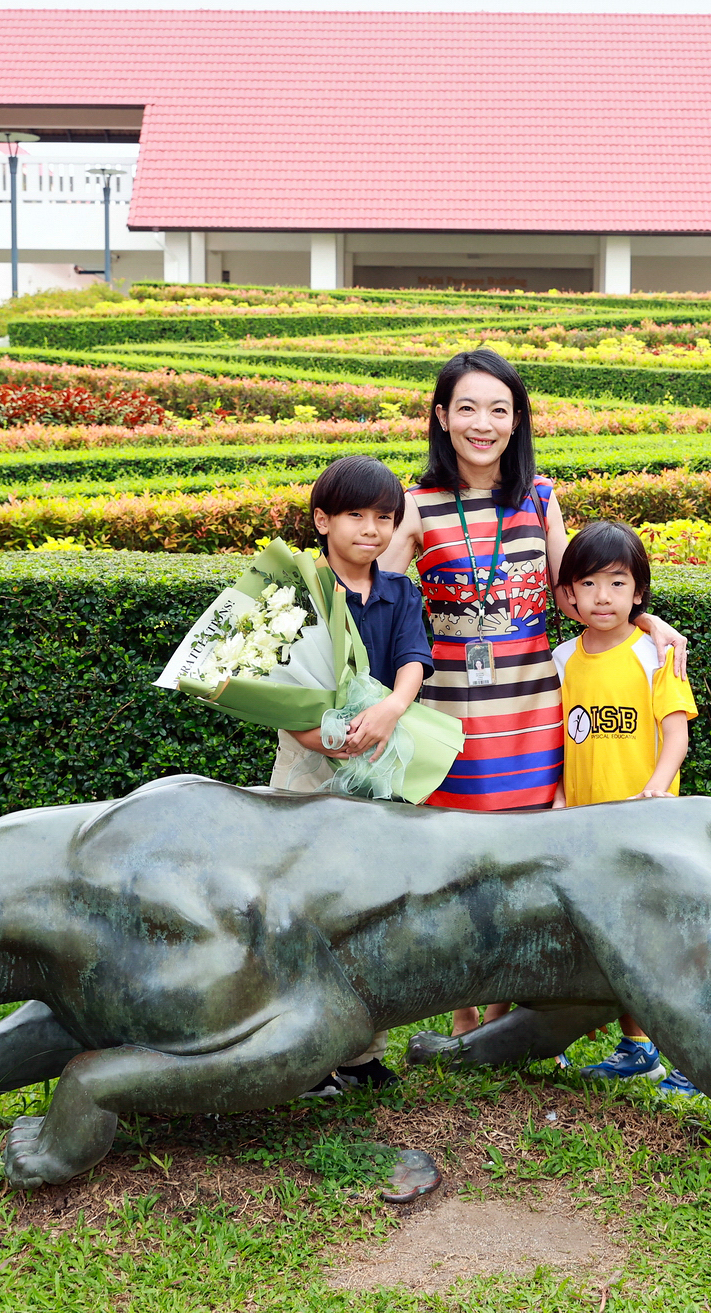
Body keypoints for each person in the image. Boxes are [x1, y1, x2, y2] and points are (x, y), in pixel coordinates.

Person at [378, 349, 688, 1038]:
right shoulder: (415, 505)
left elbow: (575, 592)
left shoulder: (541, 498)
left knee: (524, 866)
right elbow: (379, 597)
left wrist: (647, 617)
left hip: (531, 711)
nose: (482, 423)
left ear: (517, 422)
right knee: (458, 867)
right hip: (453, 715)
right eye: (467, 408)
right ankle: (461, 1013)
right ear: (440, 418)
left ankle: (501, 1016)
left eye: (498, 409)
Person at [273, 455, 433, 1093]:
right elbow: (272, 682)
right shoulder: (295, 593)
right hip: (308, 764)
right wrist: (316, 735)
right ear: (322, 519)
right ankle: (303, 1052)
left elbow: (414, 658)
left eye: (385, 519)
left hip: (380, 758)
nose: (371, 529)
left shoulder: (400, 593)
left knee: (371, 904)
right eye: (355, 516)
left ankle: (363, 1052)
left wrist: (393, 710)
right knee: (304, 904)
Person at [549, 521, 702, 1097]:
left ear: (638, 592)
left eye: (617, 583)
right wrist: (562, 801)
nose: (602, 597)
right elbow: (559, 740)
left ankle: (690, 1056)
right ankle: (637, 1047)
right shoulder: (564, 659)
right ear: (569, 595)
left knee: (661, 945)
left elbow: (675, 734)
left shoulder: (654, 653)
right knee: (615, 940)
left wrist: (657, 790)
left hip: (648, 825)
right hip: (589, 828)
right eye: (588, 584)